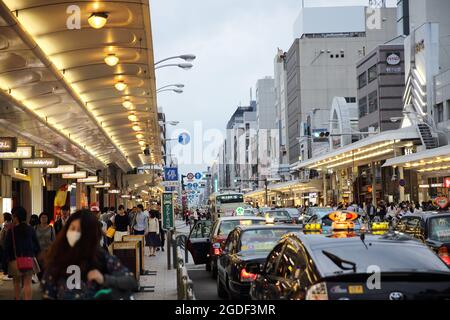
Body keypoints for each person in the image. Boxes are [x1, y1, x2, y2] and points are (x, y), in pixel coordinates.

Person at [41, 210, 138, 300]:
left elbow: (131, 281)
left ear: (89, 233)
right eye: (72, 228)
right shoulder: (58, 258)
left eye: (79, 230)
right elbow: (48, 292)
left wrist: (104, 279)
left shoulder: (101, 257)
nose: (74, 233)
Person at [4, 206, 41, 300]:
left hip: (14, 260)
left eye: (13, 216)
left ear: (16, 217)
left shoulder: (11, 230)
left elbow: (7, 246)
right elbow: (37, 245)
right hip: (28, 259)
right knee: (28, 283)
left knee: (16, 283)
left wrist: (7, 259)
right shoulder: (30, 229)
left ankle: (17, 298)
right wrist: (31, 253)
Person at [35, 212, 55, 280]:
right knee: (39, 268)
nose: (43, 219)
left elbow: (54, 240)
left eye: (45, 217)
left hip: (48, 251)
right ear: (39, 218)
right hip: (38, 251)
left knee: (47, 268)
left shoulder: (51, 228)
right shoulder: (35, 228)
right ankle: (41, 281)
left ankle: (45, 282)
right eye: (42, 217)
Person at [0, 213, 13, 280]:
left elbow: (4, 235)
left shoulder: (7, 224)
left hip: (5, 244)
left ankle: (8, 273)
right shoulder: (7, 223)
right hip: (4, 244)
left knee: (6, 259)